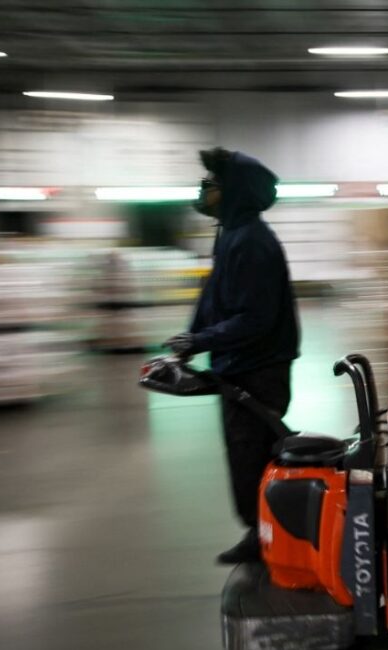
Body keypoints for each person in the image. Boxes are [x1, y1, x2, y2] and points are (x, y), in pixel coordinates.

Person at [166, 147, 300, 564]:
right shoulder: (230, 236)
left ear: (233, 191)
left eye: (211, 184)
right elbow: (213, 299)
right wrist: (191, 338)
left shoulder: (252, 243)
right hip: (238, 365)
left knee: (252, 456)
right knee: (245, 455)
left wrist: (203, 341)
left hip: (259, 368)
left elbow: (255, 318)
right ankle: (260, 532)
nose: (203, 190)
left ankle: (265, 537)